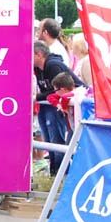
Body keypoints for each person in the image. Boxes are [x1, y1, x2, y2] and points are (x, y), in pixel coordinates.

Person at [34, 41, 83, 175]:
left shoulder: (53, 65)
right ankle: (54, 173)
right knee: (48, 139)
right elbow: (52, 93)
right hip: (49, 105)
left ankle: (61, 174)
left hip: (63, 107)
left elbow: (59, 91)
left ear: (38, 54)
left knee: (57, 140)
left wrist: (37, 97)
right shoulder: (37, 69)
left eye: (31, 55)